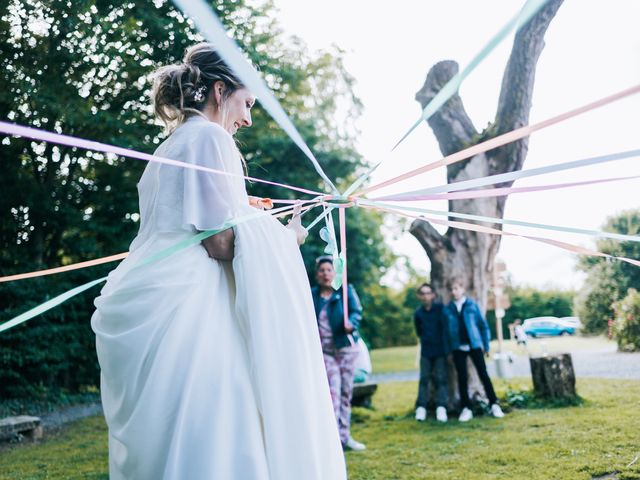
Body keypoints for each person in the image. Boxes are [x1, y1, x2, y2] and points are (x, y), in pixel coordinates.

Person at [91, 43, 346, 479]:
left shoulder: (168, 146)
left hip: (146, 289)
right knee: (215, 422)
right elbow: (220, 243)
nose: (247, 119)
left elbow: (189, 217)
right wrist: (287, 238)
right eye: (246, 103)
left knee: (176, 432)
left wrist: (246, 210)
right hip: (191, 304)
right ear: (218, 89)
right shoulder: (210, 137)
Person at [311, 256, 366, 451]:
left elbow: (356, 312)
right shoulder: (313, 295)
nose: (326, 274)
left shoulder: (344, 291)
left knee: (345, 393)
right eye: (322, 270)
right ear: (317, 274)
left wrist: (352, 324)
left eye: (329, 270)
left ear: (335, 273)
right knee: (332, 393)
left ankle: (344, 436)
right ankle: (332, 439)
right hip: (325, 352)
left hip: (346, 349)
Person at [443, 277, 505, 422]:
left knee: (483, 374)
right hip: (458, 348)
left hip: (475, 346)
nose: (454, 292)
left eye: (456, 288)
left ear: (462, 289)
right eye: (451, 289)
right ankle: (466, 408)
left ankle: (494, 404)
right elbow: (445, 333)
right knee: (462, 378)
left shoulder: (472, 305)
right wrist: (448, 351)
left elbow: (483, 326)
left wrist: (486, 345)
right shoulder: (447, 310)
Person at [413, 283, 449, 423]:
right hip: (426, 351)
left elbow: (446, 327)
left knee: (441, 379)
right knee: (424, 379)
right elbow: (419, 331)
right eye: (423, 293)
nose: (426, 296)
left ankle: (442, 407)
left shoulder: (440, 309)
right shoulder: (418, 313)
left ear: (433, 295)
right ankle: (421, 408)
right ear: (419, 296)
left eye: (428, 293)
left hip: (440, 350)